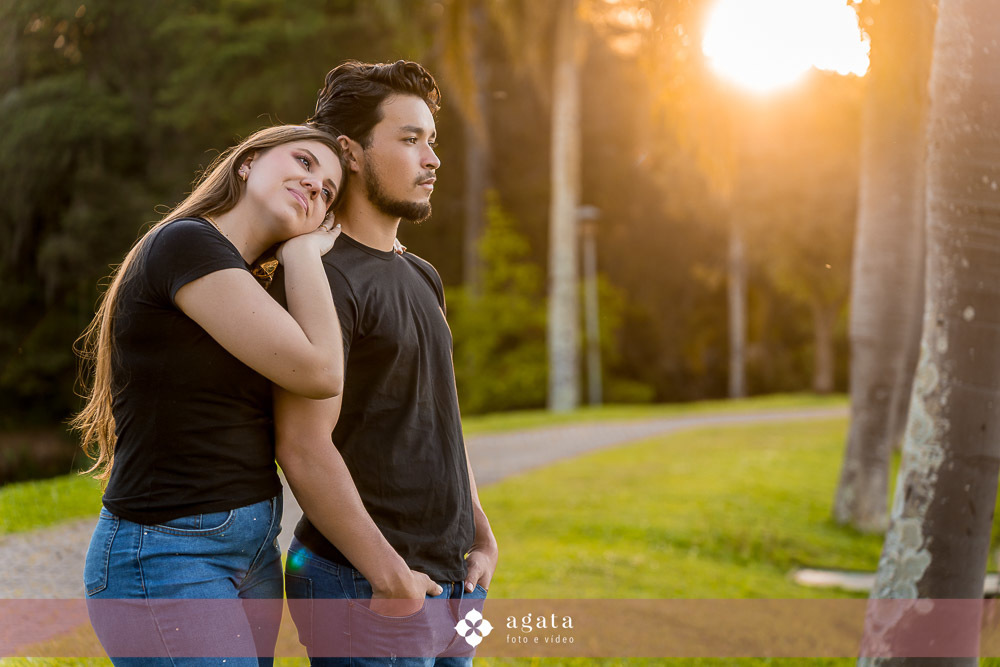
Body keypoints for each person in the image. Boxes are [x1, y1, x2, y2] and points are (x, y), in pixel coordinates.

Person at [74, 124, 354, 667]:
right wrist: (302, 253)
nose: (313, 186)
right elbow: (320, 371)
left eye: (327, 193)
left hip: (250, 549)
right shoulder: (186, 244)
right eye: (303, 161)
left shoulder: (242, 277)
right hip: (170, 553)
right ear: (247, 162)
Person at [273, 60, 499, 666]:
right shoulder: (323, 279)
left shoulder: (423, 274)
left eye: (432, 141)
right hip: (366, 590)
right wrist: (390, 576)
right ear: (350, 152)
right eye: (409, 140)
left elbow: (438, 419)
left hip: (455, 587)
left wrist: (479, 531)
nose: (433, 159)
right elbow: (302, 445)